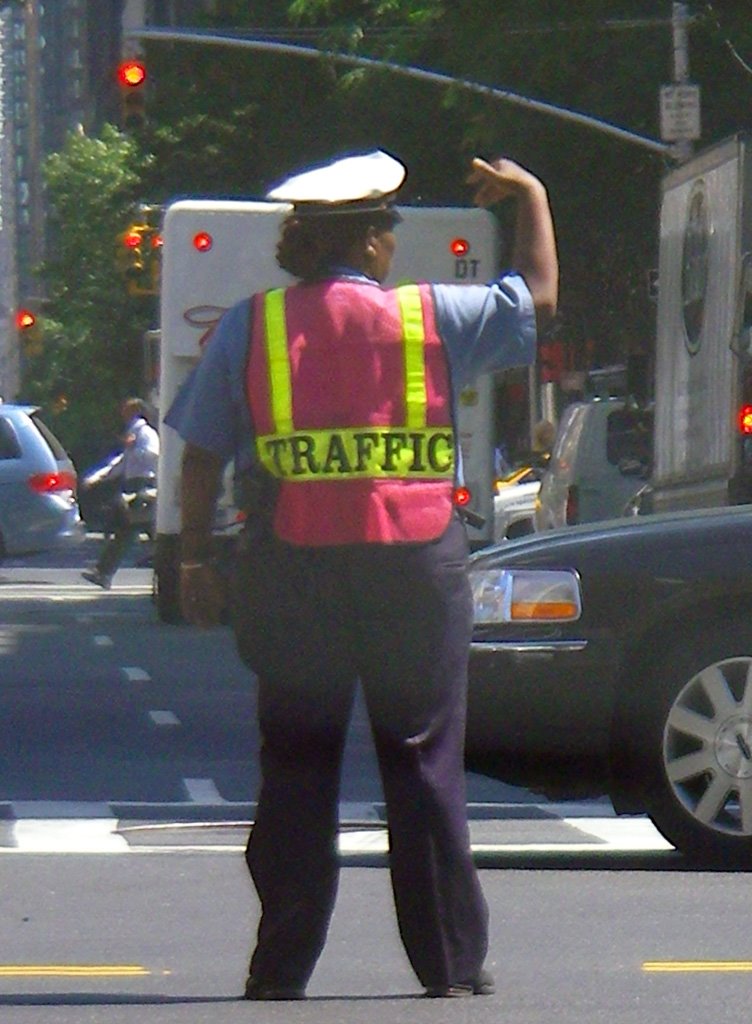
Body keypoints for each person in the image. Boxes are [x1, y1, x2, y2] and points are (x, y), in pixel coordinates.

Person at [165, 149, 558, 1000]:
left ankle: (280, 967)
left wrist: (192, 557)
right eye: (388, 228)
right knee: (422, 763)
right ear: (373, 243)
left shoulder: (253, 326)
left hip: (293, 574)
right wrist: (530, 194)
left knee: (298, 766)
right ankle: (448, 963)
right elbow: (539, 295)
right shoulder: (431, 317)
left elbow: (198, 454)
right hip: (416, 570)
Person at [81, 397, 159, 589]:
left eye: (126, 410)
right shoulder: (134, 433)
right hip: (134, 487)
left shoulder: (145, 433)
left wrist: (133, 447)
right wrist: (98, 477)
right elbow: (121, 463)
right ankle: (104, 573)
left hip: (144, 486)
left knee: (132, 530)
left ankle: (104, 572)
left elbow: (152, 455)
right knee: (133, 530)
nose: (122, 414)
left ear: (135, 411)